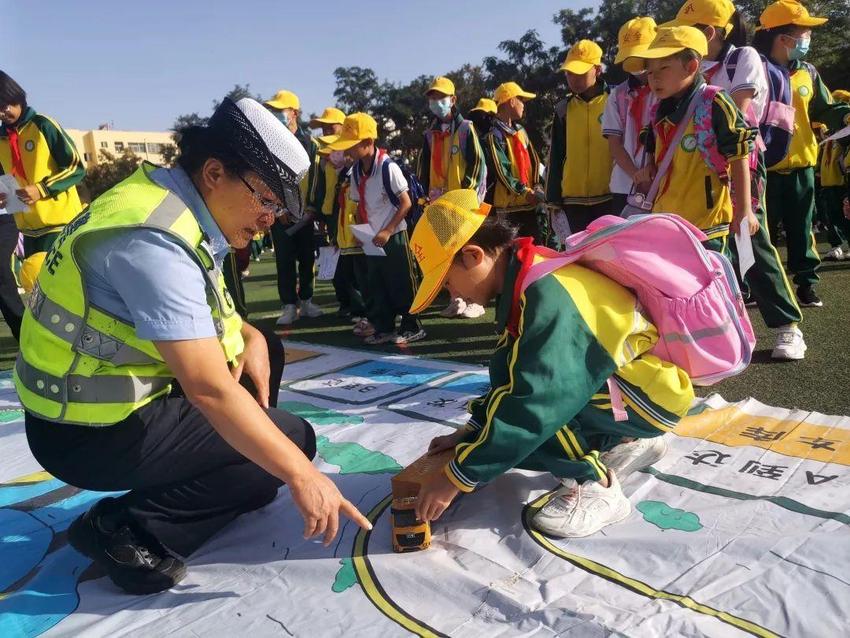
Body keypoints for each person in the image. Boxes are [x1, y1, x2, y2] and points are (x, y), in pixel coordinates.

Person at [15, 97, 370, 595]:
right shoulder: (153, 238)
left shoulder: (172, 205)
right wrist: (300, 475)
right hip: (85, 429)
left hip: (103, 404)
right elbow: (207, 388)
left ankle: (235, 468)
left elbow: (212, 315)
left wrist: (247, 336)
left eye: (277, 206)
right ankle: (126, 526)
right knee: (290, 446)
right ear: (214, 172)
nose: (271, 218)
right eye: (265, 199)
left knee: (264, 355)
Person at [408, 190, 694, 537]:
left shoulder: (545, 292)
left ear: (472, 256)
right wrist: (471, 431)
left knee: (538, 416)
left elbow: (539, 400)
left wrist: (457, 477)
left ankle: (596, 488)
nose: (453, 295)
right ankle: (627, 442)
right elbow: (510, 377)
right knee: (511, 436)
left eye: (447, 282)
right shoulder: (528, 275)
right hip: (634, 391)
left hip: (646, 399)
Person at [669, 0, 806, 360]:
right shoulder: (688, 66)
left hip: (737, 159)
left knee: (747, 234)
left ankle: (786, 326)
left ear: (709, 32)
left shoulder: (742, 57)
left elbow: (739, 109)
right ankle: (717, 331)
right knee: (702, 247)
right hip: (692, 167)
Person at [753, 0, 850, 307]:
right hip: (762, 171)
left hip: (802, 169)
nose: (809, 39)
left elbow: (825, 109)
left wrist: (845, 117)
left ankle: (805, 284)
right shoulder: (754, 71)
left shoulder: (808, 71)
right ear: (784, 38)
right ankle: (757, 286)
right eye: (805, 33)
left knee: (802, 228)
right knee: (761, 233)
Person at [631, 26, 759, 252]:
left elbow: (739, 153)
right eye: (650, 72)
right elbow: (651, 146)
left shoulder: (714, 101)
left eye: (664, 68)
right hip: (666, 222)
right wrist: (648, 168)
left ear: (691, 66)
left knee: (712, 283)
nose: (655, 78)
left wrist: (744, 210)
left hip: (706, 225)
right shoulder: (658, 111)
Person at [0, 70, 85, 341]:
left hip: (60, 223)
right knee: (37, 289)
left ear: (18, 98)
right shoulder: (0, 139)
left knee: (51, 283)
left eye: (4, 105)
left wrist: (42, 189)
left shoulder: (43, 125)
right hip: (27, 226)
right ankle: (54, 346)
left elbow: (75, 167)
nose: (2, 113)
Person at [326, 113, 425, 345]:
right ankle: (385, 327)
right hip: (372, 238)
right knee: (376, 283)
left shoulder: (387, 167)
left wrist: (388, 230)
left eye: (351, 146)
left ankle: (413, 325)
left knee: (401, 282)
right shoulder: (357, 171)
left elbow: (406, 202)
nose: (347, 152)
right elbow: (359, 203)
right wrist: (363, 232)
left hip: (394, 236)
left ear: (368, 143)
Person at [417, 76, 487, 319]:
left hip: (463, 206)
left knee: (470, 253)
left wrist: (466, 197)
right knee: (447, 256)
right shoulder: (429, 134)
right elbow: (423, 170)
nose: (436, 102)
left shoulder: (466, 128)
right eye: (432, 98)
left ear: (453, 100)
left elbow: (477, 166)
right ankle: (455, 298)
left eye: (441, 97)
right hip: (439, 206)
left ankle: (477, 299)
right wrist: (426, 197)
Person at [264, 89, 323, 324]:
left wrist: (312, 209)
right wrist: (278, 210)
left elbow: (318, 179)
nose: (276, 115)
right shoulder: (268, 145)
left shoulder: (311, 144)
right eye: (273, 111)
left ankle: (307, 300)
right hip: (281, 214)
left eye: (281, 110)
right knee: (284, 259)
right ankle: (289, 304)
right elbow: (266, 180)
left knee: (308, 258)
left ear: (295, 113)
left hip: (305, 214)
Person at [545, 40, 614, 235]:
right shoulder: (562, 109)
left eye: (580, 72)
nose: (573, 78)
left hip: (608, 197)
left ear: (597, 70)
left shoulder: (615, 100)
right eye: (569, 73)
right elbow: (556, 156)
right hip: (573, 200)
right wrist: (552, 200)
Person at [603, 17, 658, 215]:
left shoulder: (670, 89)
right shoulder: (618, 95)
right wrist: (636, 175)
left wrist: (652, 172)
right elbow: (614, 144)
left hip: (662, 182)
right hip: (625, 185)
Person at [483, 82, 545, 242]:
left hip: (530, 204)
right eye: (521, 100)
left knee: (535, 248)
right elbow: (502, 171)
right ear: (511, 101)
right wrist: (523, 191)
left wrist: (537, 185)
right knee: (511, 252)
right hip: (510, 207)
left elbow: (535, 160)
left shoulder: (521, 131)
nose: (523, 105)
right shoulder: (494, 135)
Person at [818, 90, 850, 261]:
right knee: (832, 215)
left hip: (842, 181)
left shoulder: (846, 131)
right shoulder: (831, 132)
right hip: (828, 181)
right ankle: (836, 246)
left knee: (846, 215)